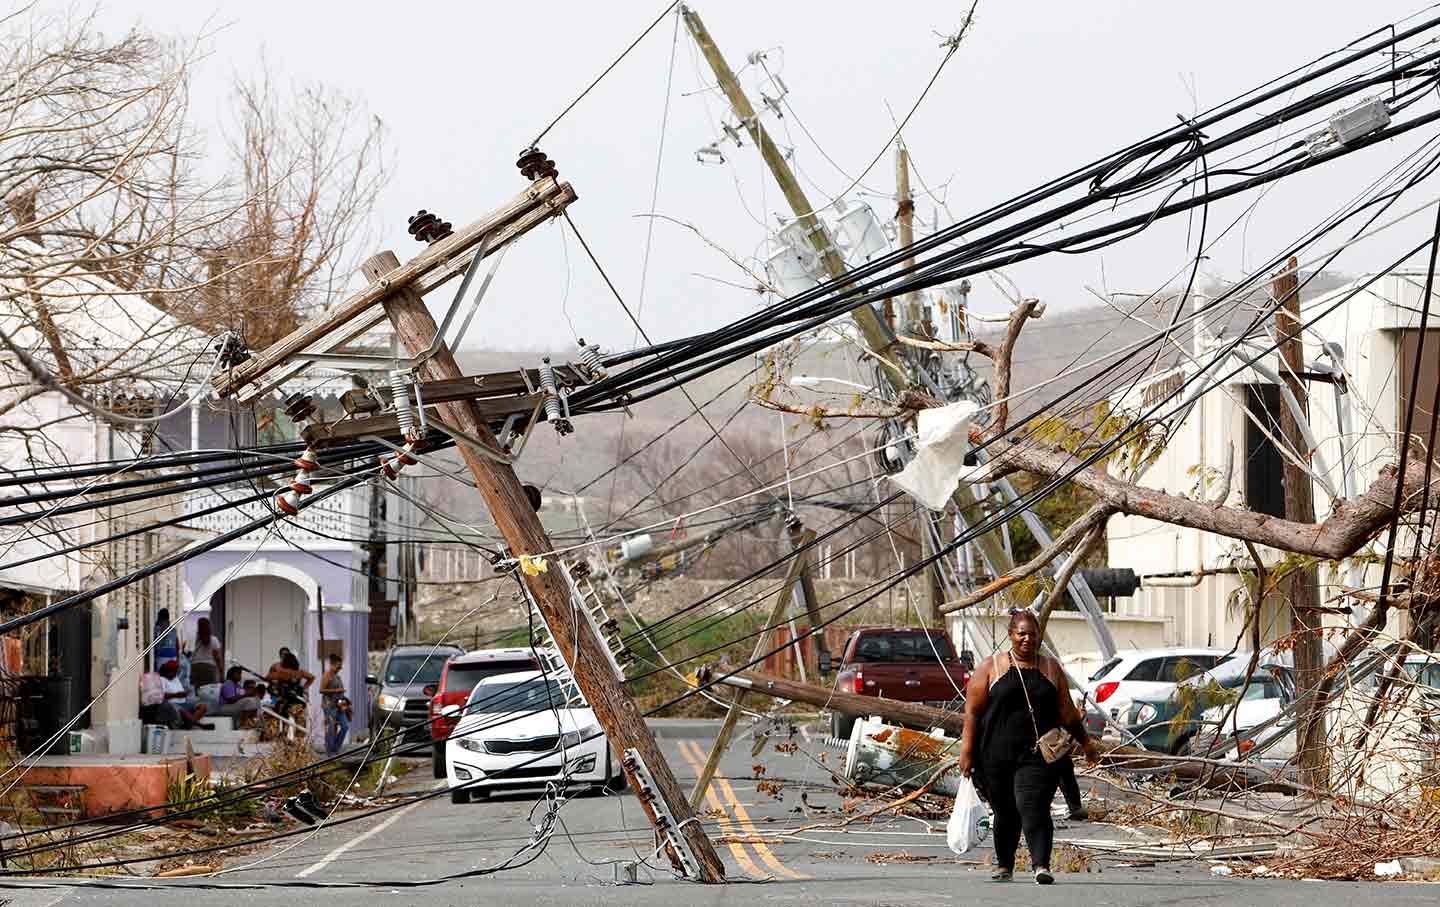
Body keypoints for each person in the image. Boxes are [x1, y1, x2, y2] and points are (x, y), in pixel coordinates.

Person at [959, 610, 1099, 885]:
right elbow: (972, 713)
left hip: (1038, 755)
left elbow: (1069, 713)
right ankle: (1004, 864)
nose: (1027, 639)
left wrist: (1086, 743)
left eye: (1032, 634)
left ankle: (1040, 864)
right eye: (1021, 633)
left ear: (1039, 637)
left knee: (1032, 805)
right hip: (994, 756)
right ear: (1010, 635)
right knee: (1004, 810)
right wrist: (966, 752)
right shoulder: (991, 667)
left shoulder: (1050, 668)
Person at [157, 659, 212, 730]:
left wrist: (185, 693)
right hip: (172, 704)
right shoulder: (162, 680)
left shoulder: (175, 678)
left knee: (203, 706)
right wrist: (176, 695)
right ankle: (198, 725)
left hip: (184, 702)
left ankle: (190, 723)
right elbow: (161, 696)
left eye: (176, 671)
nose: (175, 673)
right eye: (174, 671)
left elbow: (181, 692)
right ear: (168, 670)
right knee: (182, 710)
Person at [267, 651, 313, 720]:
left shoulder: (282, 672)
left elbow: (268, 677)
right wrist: (304, 688)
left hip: (286, 701)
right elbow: (312, 677)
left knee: (280, 715)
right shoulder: (300, 672)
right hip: (298, 701)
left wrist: (274, 681)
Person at [320, 653, 350, 756]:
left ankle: (335, 748)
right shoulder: (327, 675)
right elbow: (321, 690)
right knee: (331, 728)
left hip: (339, 706)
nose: (340, 668)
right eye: (338, 666)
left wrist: (345, 706)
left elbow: (341, 693)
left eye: (340, 666)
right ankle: (331, 752)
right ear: (332, 665)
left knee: (345, 726)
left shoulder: (337, 676)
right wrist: (336, 690)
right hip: (329, 706)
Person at [189, 617, 223, 687]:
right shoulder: (214, 640)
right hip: (209, 667)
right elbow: (217, 658)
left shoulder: (196, 640)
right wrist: (221, 673)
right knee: (210, 692)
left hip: (195, 667)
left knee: (198, 692)